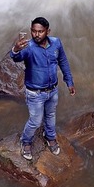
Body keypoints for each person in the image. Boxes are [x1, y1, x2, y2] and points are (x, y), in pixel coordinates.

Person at [10, 17, 76, 160]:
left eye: (40, 31)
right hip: (35, 93)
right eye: (34, 31)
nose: (36, 35)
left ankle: (50, 137)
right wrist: (15, 49)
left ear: (48, 31)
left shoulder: (56, 43)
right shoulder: (28, 47)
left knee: (51, 116)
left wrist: (69, 81)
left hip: (52, 91)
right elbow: (16, 57)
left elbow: (63, 62)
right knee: (35, 121)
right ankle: (25, 142)